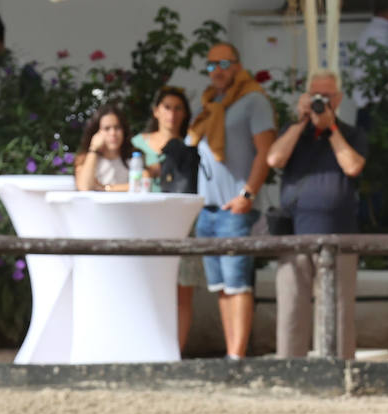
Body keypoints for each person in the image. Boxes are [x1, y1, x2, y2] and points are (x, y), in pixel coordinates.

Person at [267, 70, 368, 360]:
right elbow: (274, 159)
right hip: (294, 234)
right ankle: (290, 371)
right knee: (291, 307)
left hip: (339, 233)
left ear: (338, 99)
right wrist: (301, 122)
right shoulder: (293, 131)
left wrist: (331, 128)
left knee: (338, 308)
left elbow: (352, 167)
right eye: (315, 95)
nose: (320, 101)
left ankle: (338, 370)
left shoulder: (351, 133)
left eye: (326, 96)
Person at [189, 43, 276, 360]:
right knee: (221, 287)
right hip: (208, 210)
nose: (218, 70)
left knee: (238, 285)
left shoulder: (253, 101)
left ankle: (237, 359)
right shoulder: (211, 104)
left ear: (238, 66)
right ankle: (231, 354)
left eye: (224, 63)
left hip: (236, 209)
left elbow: (266, 152)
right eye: (211, 65)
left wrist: (247, 195)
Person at [133, 86, 206, 351]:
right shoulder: (138, 143)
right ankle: (147, 348)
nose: (172, 114)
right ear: (156, 111)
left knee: (181, 292)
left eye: (178, 108)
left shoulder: (193, 143)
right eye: (167, 107)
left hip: (182, 222)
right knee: (147, 290)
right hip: (146, 222)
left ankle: (175, 351)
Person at [73, 105, 132, 191]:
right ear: (96, 132)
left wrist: (104, 188)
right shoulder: (84, 159)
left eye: (117, 127)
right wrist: (93, 149)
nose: (113, 133)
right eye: (107, 128)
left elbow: (142, 185)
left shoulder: (133, 157)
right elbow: (84, 187)